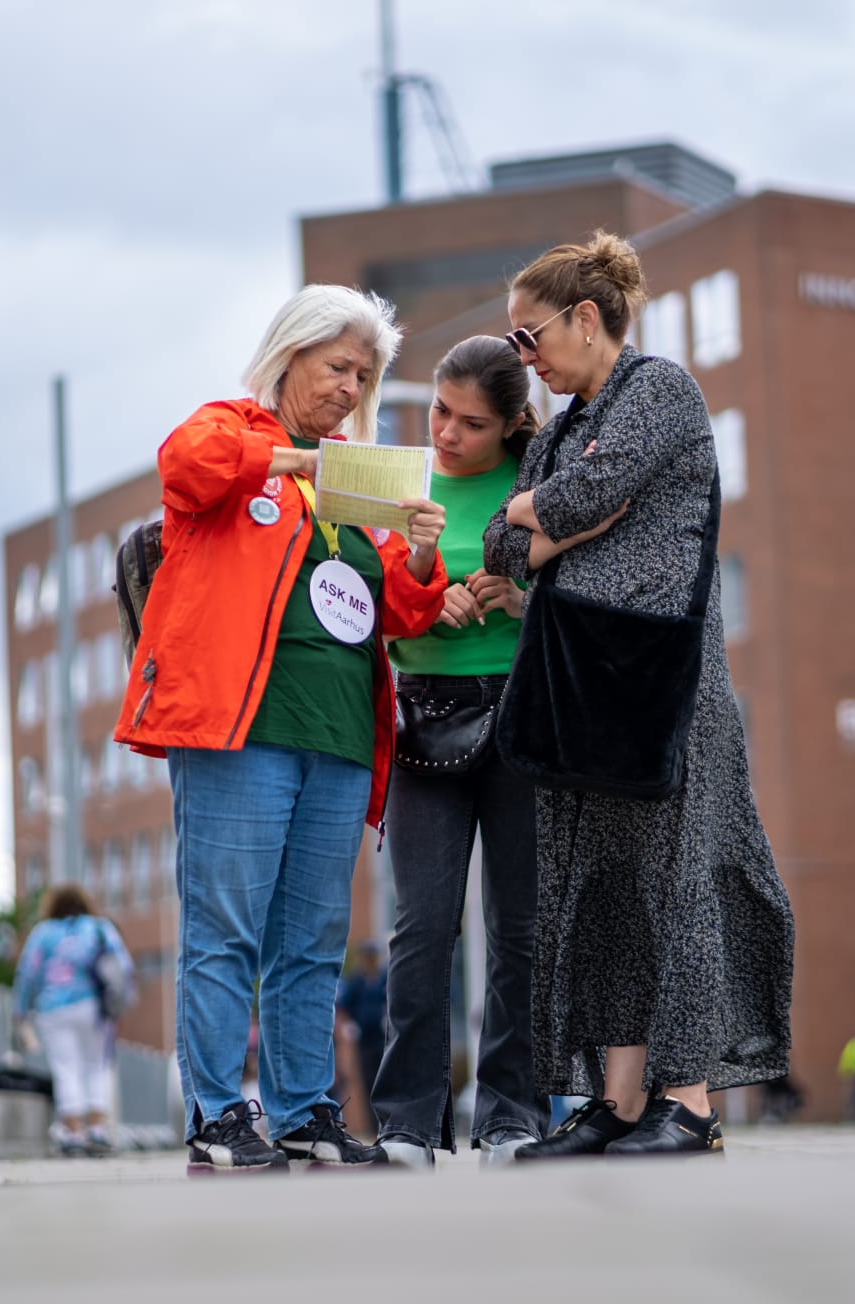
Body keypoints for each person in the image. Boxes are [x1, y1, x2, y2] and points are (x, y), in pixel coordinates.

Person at [112, 284, 448, 1173]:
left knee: (311, 942)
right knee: (225, 929)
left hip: (337, 733)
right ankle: (219, 1112)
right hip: (239, 727)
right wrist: (291, 460)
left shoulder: (351, 472)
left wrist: (416, 550)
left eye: (364, 375)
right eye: (338, 366)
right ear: (290, 354)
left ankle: (304, 1112)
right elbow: (185, 465)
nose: (349, 387)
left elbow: (399, 610)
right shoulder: (233, 430)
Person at [484, 231, 795, 1158]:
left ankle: (690, 1104)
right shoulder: (567, 429)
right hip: (579, 684)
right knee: (602, 889)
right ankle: (620, 1103)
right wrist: (543, 513)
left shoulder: (659, 388)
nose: (523, 360)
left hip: (665, 683)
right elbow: (508, 548)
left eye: (529, 338)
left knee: (674, 879)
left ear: (587, 318)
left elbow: (601, 492)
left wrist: (551, 515)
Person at [371, 335, 550, 1169]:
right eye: (440, 411)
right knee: (423, 926)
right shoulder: (402, 484)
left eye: (470, 423)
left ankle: (511, 1115)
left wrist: (521, 597)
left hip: (522, 718)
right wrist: (419, 602)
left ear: (512, 425)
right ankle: (407, 1121)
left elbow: (582, 595)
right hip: (423, 717)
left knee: (518, 929)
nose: (445, 433)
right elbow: (362, 606)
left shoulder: (538, 484)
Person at [12, 883, 134, 1157]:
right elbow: (123, 965)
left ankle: (74, 1132)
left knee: (65, 1067)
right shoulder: (100, 928)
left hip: (53, 1008)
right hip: (94, 1007)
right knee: (97, 1066)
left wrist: (19, 1010)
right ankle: (98, 1131)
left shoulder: (43, 933)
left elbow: (27, 973)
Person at [337, 939, 388, 1126]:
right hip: (365, 1040)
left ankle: (387, 1122)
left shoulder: (385, 978)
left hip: (383, 1038)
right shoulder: (357, 981)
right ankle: (372, 1125)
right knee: (368, 1082)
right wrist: (350, 1025)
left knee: (384, 1079)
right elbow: (345, 1006)